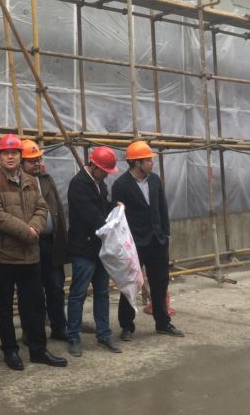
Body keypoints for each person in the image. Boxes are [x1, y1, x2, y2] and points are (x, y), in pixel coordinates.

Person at [0, 134, 67, 370]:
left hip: (30, 254)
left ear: (20, 156)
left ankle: (39, 349)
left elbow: (42, 207)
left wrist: (35, 228)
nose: (10, 157)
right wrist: (26, 231)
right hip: (3, 256)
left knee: (35, 304)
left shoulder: (30, 180)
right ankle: (10, 351)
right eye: (5, 153)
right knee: (5, 306)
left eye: (14, 153)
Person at [113, 141, 184, 341]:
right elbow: (118, 217)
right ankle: (127, 326)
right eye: (148, 160)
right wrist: (124, 243)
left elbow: (162, 208)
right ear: (137, 163)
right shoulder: (121, 185)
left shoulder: (154, 180)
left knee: (160, 283)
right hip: (134, 243)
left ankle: (163, 323)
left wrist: (165, 234)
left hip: (157, 241)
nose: (152, 163)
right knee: (131, 284)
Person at [65, 146, 121, 357]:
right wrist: (111, 228)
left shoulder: (99, 183)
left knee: (102, 292)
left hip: (99, 247)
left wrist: (115, 207)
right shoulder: (79, 185)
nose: (107, 175)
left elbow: (102, 207)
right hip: (83, 248)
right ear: (94, 166)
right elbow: (91, 216)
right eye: (105, 171)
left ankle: (104, 334)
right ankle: (73, 336)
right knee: (78, 294)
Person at [20, 139, 68, 341]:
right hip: (30, 243)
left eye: (38, 159)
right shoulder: (19, 183)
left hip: (51, 242)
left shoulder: (46, 180)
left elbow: (58, 208)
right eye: (32, 161)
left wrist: (62, 239)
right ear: (21, 162)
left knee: (55, 287)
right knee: (32, 292)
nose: (36, 164)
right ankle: (32, 331)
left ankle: (59, 328)